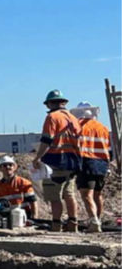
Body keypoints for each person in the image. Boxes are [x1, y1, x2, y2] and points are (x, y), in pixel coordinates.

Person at [32, 90, 82, 233]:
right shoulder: (73, 118)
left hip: (55, 160)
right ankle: (73, 223)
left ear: (50, 103)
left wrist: (38, 158)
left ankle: (56, 225)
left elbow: (47, 140)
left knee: (54, 196)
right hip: (72, 161)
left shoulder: (52, 117)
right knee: (69, 193)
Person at [75, 103, 114, 234]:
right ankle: (98, 220)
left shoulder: (78, 126)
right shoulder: (102, 127)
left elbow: (75, 146)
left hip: (86, 162)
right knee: (98, 194)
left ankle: (94, 221)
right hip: (103, 163)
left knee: (86, 194)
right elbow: (109, 150)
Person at [0, 155, 38, 221]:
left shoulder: (24, 183)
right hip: (5, 219)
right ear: (0, 168)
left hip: (24, 218)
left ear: (14, 167)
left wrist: (34, 218)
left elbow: (33, 202)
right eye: (4, 165)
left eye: (10, 165)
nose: (8, 167)